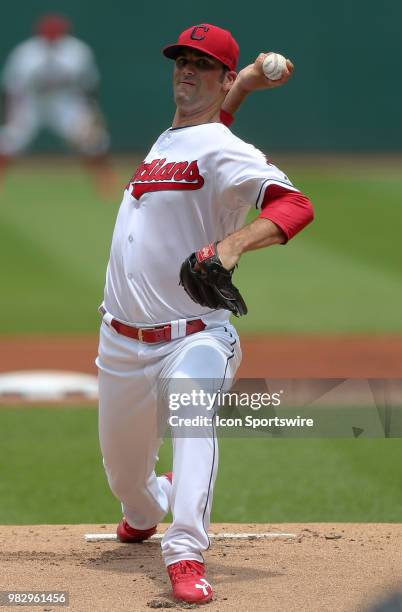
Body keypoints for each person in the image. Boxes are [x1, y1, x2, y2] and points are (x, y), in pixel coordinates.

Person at [96, 23, 314, 604]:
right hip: (119, 344)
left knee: (194, 415)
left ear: (216, 77)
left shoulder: (225, 149)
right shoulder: (172, 139)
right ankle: (145, 508)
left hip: (194, 336)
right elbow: (211, 129)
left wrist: (232, 246)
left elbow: (296, 205)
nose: (185, 71)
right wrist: (239, 85)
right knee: (126, 483)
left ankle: (186, 551)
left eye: (201, 64)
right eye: (180, 61)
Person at [0, 14, 116, 196]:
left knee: (93, 139)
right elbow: (11, 89)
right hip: (31, 103)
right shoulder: (26, 53)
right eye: (48, 34)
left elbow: (89, 87)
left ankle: (104, 183)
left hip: (65, 102)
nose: (52, 38)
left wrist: (93, 113)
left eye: (55, 34)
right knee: (8, 140)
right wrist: (9, 117)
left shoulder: (77, 51)